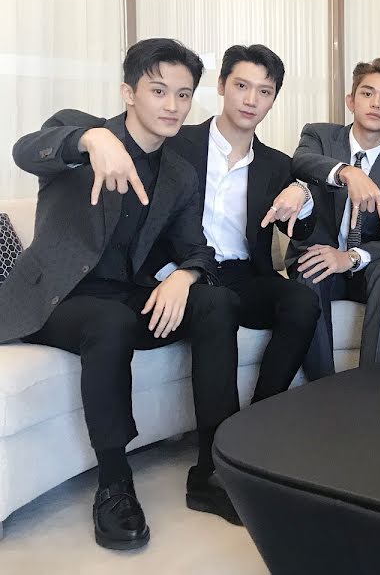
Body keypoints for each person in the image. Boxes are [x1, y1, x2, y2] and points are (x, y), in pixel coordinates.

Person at [3, 38, 243, 550]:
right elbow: (26, 150)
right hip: (58, 300)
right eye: (158, 91)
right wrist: (89, 140)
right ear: (128, 93)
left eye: (183, 94)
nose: (173, 105)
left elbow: (196, 247)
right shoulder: (81, 133)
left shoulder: (179, 174)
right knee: (109, 321)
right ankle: (114, 485)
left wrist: (186, 276)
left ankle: (212, 469)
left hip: (126, 297)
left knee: (218, 302)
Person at [49, 44, 323, 402]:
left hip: (242, 275)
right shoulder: (172, 140)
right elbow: (110, 132)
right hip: (176, 268)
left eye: (264, 92)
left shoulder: (276, 164)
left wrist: (302, 194)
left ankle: (263, 411)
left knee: (303, 301)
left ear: (273, 100)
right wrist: (93, 137)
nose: (251, 100)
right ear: (221, 85)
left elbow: (298, 230)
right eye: (241, 86)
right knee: (215, 303)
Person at [286, 58, 380, 378]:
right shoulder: (320, 135)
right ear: (351, 101)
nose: (376, 103)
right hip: (320, 257)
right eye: (367, 93)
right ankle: (324, 390)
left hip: (366, 266)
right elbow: (301, 162)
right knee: (311, 267)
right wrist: (347, 172)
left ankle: (372, 386)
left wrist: (349, 258)